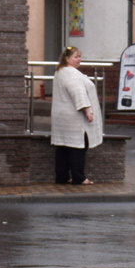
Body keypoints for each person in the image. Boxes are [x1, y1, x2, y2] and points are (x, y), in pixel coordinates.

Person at [51, 46, 103, 184]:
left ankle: (61, 176)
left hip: (60, 117)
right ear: (67, 59)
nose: (79, 59)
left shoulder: (60, 71)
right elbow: (78, 92)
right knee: (78, 146)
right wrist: (87, 110)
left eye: (80, 56)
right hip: (74, 118)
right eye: (76, 56)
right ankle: (79, 177)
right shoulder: (71, 73)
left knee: (62, 147)